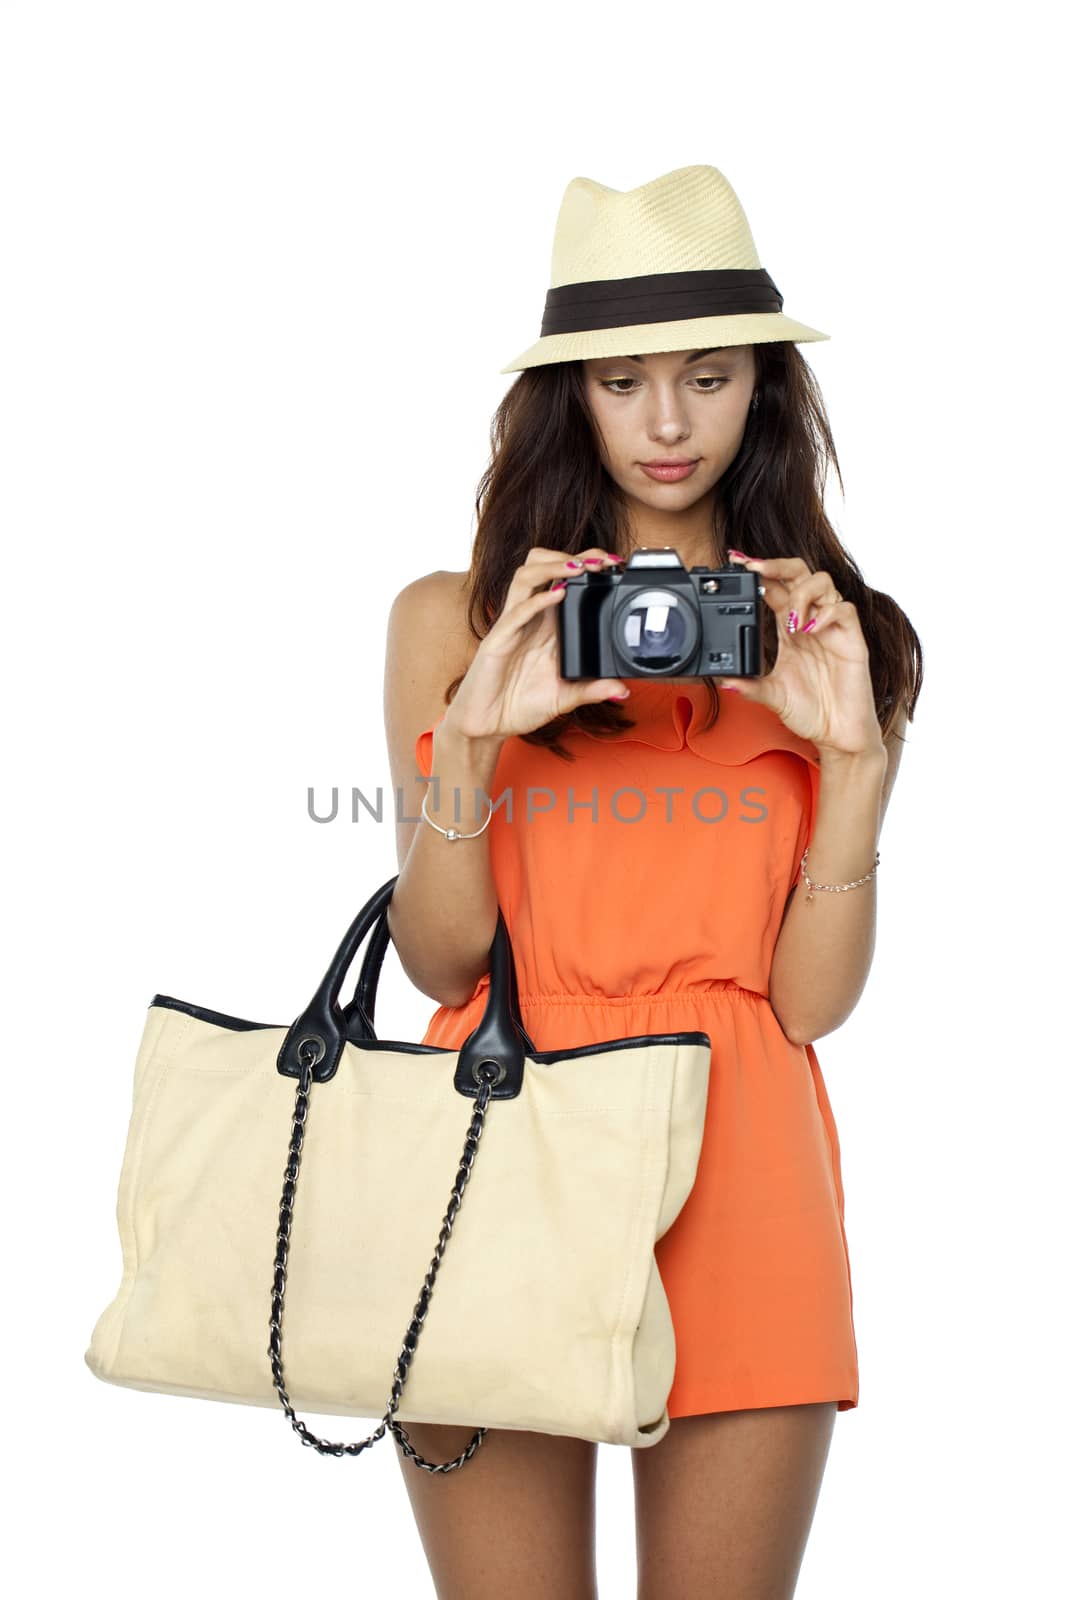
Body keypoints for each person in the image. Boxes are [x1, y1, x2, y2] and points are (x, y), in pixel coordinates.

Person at [382, 165, 922, 1600]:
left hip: (744, 1158)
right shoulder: (456, 618)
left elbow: (810, 1004)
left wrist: (855, 763)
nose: (668, 424)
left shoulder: (831, 634)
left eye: (708, 377)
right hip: (499, 1137)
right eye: (622, 383)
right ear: (572, 397)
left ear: (766, 388)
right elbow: (442, 964)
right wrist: (484, 730)